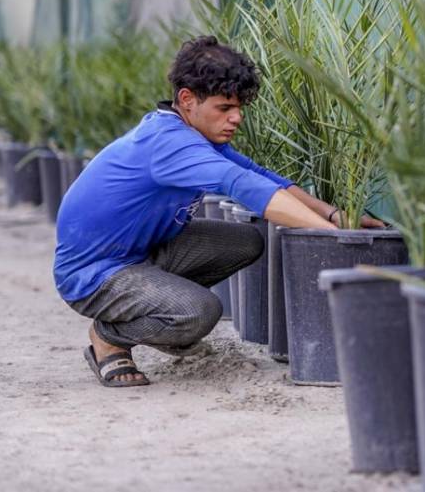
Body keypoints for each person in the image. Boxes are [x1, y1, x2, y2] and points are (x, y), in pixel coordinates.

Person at [54, 36, 384, 388]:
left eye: (240, 108)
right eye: (225, 108)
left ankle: (160, 305)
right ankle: (110, 335)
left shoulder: (192, 134)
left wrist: (334, 216)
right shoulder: (168, 143)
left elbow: (261, 178)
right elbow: (243, 186)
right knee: (200, 311)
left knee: (244, 241)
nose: (237, 118)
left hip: (141, 253)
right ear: (186, 99)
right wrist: (335, 237)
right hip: (95, 273)